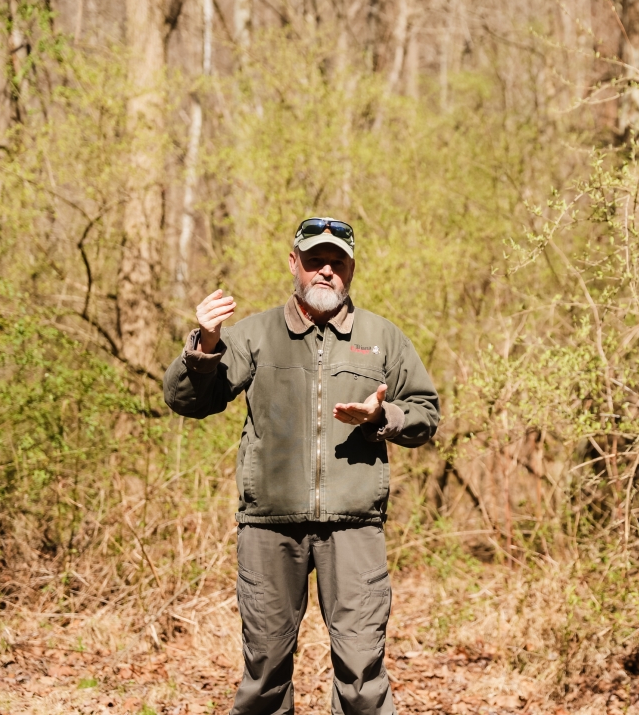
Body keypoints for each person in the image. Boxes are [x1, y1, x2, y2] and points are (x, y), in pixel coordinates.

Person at [163, 218, 440, 715]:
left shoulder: (382, 338)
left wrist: (384, 416)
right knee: (265, 671)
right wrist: (205, 344)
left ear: (352, 269)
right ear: (294, 264)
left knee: (363, 674)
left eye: (338, 262)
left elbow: (425, 413)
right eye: (315, 260)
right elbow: (190, 401)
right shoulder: (255, 333)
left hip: (355, 527)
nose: (326, 271)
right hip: (270, 526)